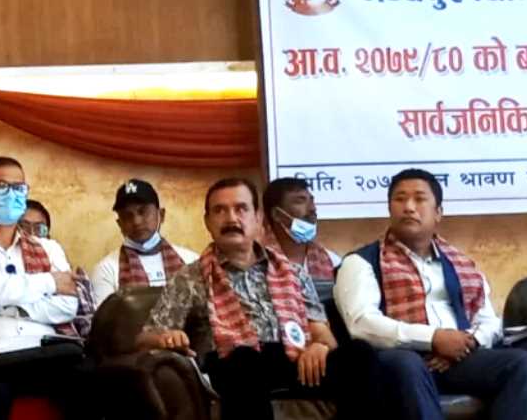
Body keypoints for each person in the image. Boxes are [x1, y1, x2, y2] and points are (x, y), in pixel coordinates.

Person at [136, 178, 379, 420]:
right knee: (243, 359)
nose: (231, 219)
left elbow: (323, 335)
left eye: (241, 209)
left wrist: (319, 346)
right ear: (207, 222)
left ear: (258, 218)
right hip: (233, 365)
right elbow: (144, 339)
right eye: (220, 211)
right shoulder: (189, 278)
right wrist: (165, 337)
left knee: (359, 354)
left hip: (295, 362)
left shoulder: (293, 272)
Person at [334, 168, 527, 420]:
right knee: (406, 364)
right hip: (398, 360)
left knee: (523, 364)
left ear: (438, 212)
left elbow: (489, 320)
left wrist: (466, 343)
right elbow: (362, 324)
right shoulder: (361, 262)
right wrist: (433, 339)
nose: (409, 207)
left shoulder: (461, 264)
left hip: (457, 359)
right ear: (389, 209)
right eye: (400, 199)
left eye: (419, 199)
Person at [0, 156, 96, 420]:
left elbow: (67, 306)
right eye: (1, 187)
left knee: (89, 377)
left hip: (47, 356)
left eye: (19, 188)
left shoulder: (49, 248)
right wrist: (49, 282)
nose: (12, 194)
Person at [91, 178, 198, 305]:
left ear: (161, 215)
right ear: (120, 224)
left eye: (143, 212)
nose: (136, 221)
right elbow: (105, 317)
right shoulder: (106, 270)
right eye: (127, 216)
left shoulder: (191, 261)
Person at [262, 177, 341, 280]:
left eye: (312, 201)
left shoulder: (333, 262)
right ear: (277, 214)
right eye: (300, 201)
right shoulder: (257, 263)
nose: (312, 209)